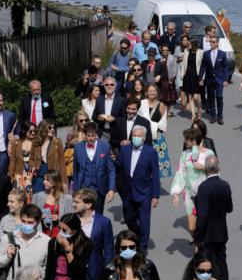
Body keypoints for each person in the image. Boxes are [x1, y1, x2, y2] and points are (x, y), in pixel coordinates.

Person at [116, 120, 161, 250]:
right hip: (128, 191)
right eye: (134, 135)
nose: (136, 138)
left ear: (144, 138)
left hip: (144, 192)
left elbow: (155, 174)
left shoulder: (150, 152)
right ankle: (137, 236)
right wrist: (112, 159)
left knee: (144, 221)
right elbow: (118, 165)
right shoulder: (124, 149)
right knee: (129, 218)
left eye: (139, 136)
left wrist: (155, 195)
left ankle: (142, 248)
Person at [191, 154, 233, 280]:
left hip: (208, 235)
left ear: (205, 169)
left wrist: (198, 237)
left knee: (207, 264)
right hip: (221, 232)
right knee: (221, 262)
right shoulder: (225, 185)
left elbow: (202, 215)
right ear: (218, 168)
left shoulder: (204, 187)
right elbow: (229, 208)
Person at [71, 121, 117, 202]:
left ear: (96, 134)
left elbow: (111, 169)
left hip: (99, 188)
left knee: (98, 213)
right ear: (85, 135)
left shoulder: (105, 147)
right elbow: (75, 170)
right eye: (88, 136)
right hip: (83, 187)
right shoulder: (78, 147)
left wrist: (111, 189)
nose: (91, 138)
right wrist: (75, 189)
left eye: (93, 135)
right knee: (84, 213)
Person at [142, 82, 171, 180]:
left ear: (157, 92)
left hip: (156, 136)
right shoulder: (142, 104)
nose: (152, 92)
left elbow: (163, 121)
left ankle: (155, 181)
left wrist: (153, 126)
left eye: (154, 91)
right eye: (150, 91)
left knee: (157, 160)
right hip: (143, 135)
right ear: (146, 92)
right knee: (144, 160)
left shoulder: (161, 105)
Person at [202, 32, 231, 125]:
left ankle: (220, 116)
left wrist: (226, 80)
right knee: (211, 98)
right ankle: (213, 116)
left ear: (217, 43)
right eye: (210, 42)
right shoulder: (206, 54)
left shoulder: (222, 54)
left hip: (219, 80)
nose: (211, 43)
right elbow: (203, 67)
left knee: (219, 97)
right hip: (209, 79)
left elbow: (225, 68)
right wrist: (200, 78)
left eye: (213, 42)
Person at [178, 34, 204, 122]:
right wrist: (182, 74)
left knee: (196, 97)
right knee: (190, 96)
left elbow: (203, 66)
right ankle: (193, 115)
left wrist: (202, 78)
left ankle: (199, 110)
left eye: (190, 43)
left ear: (195, 44)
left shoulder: (201, 52)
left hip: (196, 76)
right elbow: (183, 64)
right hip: (188, 75)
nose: (188, 44)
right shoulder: (186, 51)